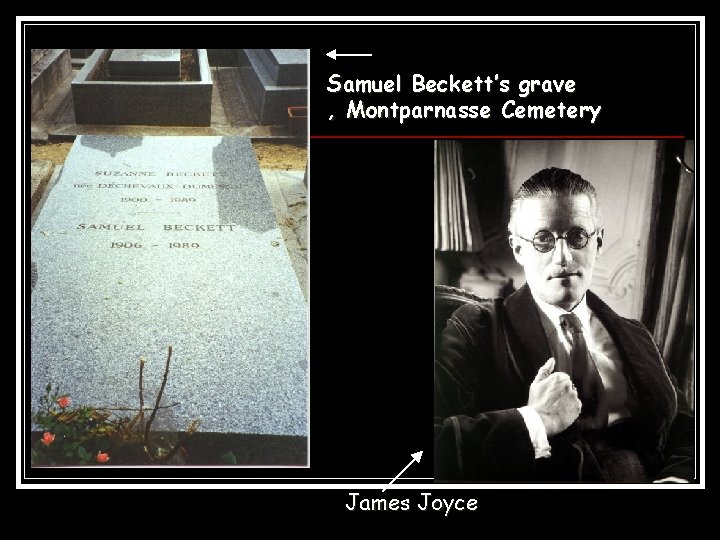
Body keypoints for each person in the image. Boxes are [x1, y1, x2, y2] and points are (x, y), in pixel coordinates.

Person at [434, 167, 694, 482]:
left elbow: (684, 425)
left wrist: (677, 479)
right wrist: (535, 420)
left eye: (577, 236)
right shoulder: (478, 327)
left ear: (598, 242)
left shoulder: (634, 333)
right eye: (543, 239)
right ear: (518, 248)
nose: (563, 256)